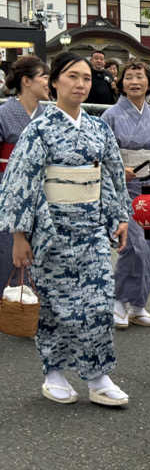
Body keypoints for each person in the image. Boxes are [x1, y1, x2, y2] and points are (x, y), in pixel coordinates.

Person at [0, 51, 130, 406]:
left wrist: (120, 217)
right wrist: (19, 236)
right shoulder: (39, 129)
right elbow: (21, 181)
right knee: (58, 305)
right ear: (55, 81)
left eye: (86, 78)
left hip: (91, 228)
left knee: (100, 302)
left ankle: (98, 376)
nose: (81, 84)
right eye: (72, 76)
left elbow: (114, 176)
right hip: (52, 230)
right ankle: (54, 372)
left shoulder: (98, 127)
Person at [101, 62, 150, 329]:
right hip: (123, 189)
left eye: (139, 77)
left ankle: (139, 304)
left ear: (149, 83)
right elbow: (102, 154)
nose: (134, 82)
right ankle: (118, 300)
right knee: (132, 245)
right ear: (120, 84)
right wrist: (119, 170)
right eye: (128, 77)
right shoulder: (111, 116)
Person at [0, 56, 49, 289]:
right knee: (8, 251)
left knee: (39, 253)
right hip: (8, 191)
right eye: (44, 77)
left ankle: (33, 308)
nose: (49, 82)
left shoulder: (47, 116)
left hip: (42, 193)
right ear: (26, 81)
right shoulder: (4, 113)